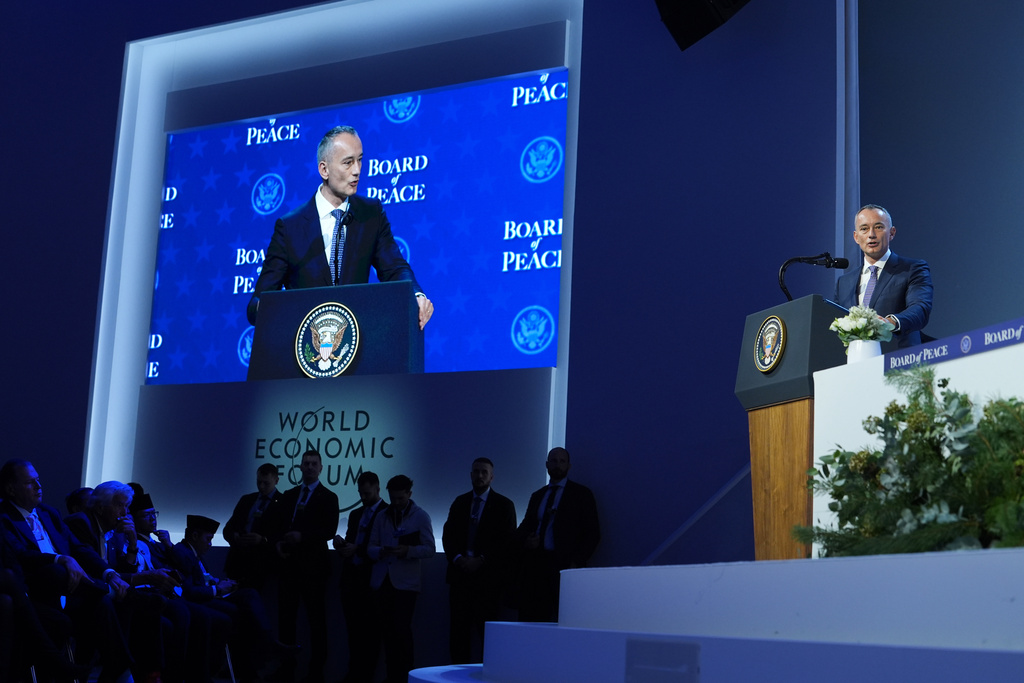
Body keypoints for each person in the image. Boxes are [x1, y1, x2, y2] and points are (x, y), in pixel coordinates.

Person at [246, 125, 434, 330]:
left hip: (357, 339)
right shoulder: (290, 227)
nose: (357, 170)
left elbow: (395, 268)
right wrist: (279, 309)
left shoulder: (370, 214)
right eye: (348, 163)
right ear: (324, 170)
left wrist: (416, 295)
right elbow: (258, 303)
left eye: (360, 160)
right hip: (307, 346)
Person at [0, 459, 132, 682]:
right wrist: (60, 559)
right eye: (30, 483)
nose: (39, 486)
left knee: (103, 603)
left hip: (71, 589)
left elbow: (79, 548)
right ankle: (104, 590)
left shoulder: (48, 513)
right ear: (11, 488)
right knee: (58, 573)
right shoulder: (4, 516)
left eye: (38, 480)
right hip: (37, 588)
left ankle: (118, 667)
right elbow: (21, 554)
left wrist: (109, 573)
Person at [169, 514, 282, 683]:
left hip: (210, 595)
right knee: (239, 610)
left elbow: (204, 579)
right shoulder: (183, 553)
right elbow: (189, 591)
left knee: (248, 595)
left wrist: (220, 584)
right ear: (194, 536)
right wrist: (217, 589)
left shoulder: (193, 553)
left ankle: (264, 645)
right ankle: (263, 647)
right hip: (197, 601)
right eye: (208, 539)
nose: (210, 544)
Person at [268, 450, 339, 683]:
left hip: (314, 569)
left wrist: (302, 537)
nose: (309, 467)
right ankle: (286, 668)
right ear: (299, 467)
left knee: (316, 622)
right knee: (285, 622)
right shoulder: (289, 495)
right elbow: (277, 525)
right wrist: (278, 541)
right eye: (305, 463)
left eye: (313, 464)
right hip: (288, 567)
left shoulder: (329, 497)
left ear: (321, 468)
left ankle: (316, 672)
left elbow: (328, 530)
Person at [442, 457, 517, 664]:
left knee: (488, 638)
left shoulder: (504, 505)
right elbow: (448, 535)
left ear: (492, 477)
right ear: (470, 475)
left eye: (484, 472)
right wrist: (458, 559)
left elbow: (507, 542)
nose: (480, 475)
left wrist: (481, 560)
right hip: (460, 579)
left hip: (488, 582)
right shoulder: (460, 502)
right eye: (476, 471)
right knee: (458, 636)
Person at [514, 447, 600, 623]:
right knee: (533, 620)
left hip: (565, 567)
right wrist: (526, 541)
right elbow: (524, 527)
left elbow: (593, 533)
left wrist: (576, 563)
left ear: (569, 466)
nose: (558, 465)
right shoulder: (537, 495)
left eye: (562, 461)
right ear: (547, 464)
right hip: (536, 566)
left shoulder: (581, 494)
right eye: (554, 461)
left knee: (567, 620)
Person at [834, 204, 933, 348]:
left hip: (897, 358)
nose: (871, 234)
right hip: (854, 363)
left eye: (879, 227)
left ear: (892, 233)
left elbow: (920, 308)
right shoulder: (843, 282)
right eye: (864, 229)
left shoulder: (912, 269)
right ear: (856, 237)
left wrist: (890, 322)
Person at [367, 475, 435, 683]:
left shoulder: (421, 516)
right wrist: (381, 551)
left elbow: (430, 549)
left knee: (402, 634)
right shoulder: (381, 516)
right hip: (382, 581)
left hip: (405, 585)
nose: (396, 503)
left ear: (409, 494)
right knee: (387, 634)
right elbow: (370, 547)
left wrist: (407, 550)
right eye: (393, 498)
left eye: (400, 498)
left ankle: (405, 677)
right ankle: (391, 677)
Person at [332, 471, 388, 683]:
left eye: (367, 493)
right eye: (361, 493)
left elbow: (383, 546)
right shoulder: (356, 514)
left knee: (371, 634)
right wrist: (342, 545)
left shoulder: (387, 512)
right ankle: (355, 673)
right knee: (354, 633)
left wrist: (357, 548)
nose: (363, 498)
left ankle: (365, 676)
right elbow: (351, 541)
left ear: (377, 489)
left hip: (372, 581)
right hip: (351, 580)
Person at [223, 463, 283, 590]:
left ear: (276, 481)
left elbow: (283, 534)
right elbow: (228, 529)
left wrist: (263, 540)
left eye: (266, 483)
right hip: (237, 561)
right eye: (259, 482)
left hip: (262, 565)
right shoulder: (247, 500)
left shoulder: (283, 503)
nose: (261, 487)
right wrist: (235, 537)